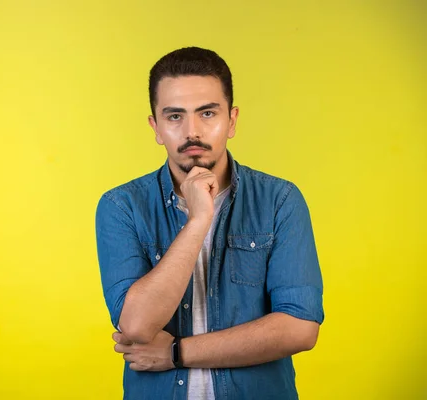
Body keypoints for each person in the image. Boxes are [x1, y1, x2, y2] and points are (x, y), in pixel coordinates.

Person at [95, 47, 324, 400]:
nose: (192, 131)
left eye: (207, 113)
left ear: (231, 121)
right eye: (174, 116)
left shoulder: (280, 200)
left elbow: (299, 329)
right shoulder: (121, 206)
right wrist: (200, 219)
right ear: (155, 127)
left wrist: (176, 353)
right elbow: (137, 325)